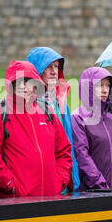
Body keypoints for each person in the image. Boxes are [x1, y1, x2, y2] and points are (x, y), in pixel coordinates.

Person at [0, 60, 72, 198]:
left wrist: (58, 183)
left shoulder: (47, 112)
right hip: (14, 203)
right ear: (12, 84)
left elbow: (64, 152)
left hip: (50, 199)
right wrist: (12, 186)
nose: (27, 87)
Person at [27, 47, 79, 192]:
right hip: (41, 182)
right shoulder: (27, 104)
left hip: (64, 175)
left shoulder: (60, 100)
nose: (54, 71)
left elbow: (69, 142)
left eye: (56, 66)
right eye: (48, 67)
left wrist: (71, 176)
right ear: (37, 69)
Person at [71, 67, 112, 190]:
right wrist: (101, 185)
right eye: (99, 85)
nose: (105, 90)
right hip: (92, 193)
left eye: (107, 85)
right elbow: (81, 155)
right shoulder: (78, 119)